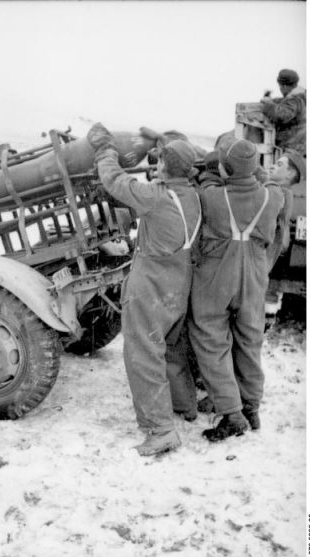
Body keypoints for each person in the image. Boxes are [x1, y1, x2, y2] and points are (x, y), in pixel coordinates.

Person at [87, 122, 202, 456]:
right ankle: (184, 405)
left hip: (151, 284)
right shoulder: (190, 196)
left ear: (165, 165)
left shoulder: (157, 198)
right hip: (178, 284)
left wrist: (105, 150)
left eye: (160, 160)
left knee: (143, 353)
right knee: (171, 346)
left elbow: (114, 181)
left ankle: (160, 430)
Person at [188, 139, 285, 441]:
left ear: (225, 169)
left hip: (217, 275)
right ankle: (251, 407)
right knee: (250, 340)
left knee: (210, 338)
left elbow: (205, 181)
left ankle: (231, 413)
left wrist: (211, 170)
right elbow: (267, 183)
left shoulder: (211, 197)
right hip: (255, 274)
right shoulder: (274, 197)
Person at [260, 69, 306, 157]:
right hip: (301, 146)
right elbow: (286, 102)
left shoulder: (295, 100)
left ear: (284, 86)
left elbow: (281, 116)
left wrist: (267, 104)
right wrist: (272, 100)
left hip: (292, 149)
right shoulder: (302, 96)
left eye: (280, 86)